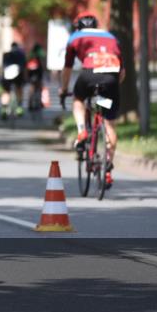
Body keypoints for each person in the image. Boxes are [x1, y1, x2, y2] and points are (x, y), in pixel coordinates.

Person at [59, 12, 124, 189]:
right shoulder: (111, 37)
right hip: (111, 77)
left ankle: (82, 131)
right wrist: (110, 88)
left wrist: (64, 90)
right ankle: (108, 167)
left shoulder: (75, 37)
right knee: (109, 123)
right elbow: (122, 72)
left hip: (89, 76)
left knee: (79, 100)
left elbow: (67, 68)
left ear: (78, 26)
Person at [0, 42, 27, 119]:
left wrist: (1, 77)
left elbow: (2, 67)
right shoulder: (22, 55)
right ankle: (19, 107)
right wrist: (25, 78)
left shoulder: (6, 54)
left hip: (6, 74)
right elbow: (24, 68)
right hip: (18, 73)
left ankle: (4, 109)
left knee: (6, 91)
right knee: (19, 89)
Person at [27, 42, 46, 109]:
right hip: (38, 72)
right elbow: (43, 62)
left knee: (32, 87)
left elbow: (27, 62)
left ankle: (30, 103)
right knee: (39, 87)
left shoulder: (31, 53)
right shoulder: (41, 53)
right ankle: (39, 102)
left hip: (31, 72)